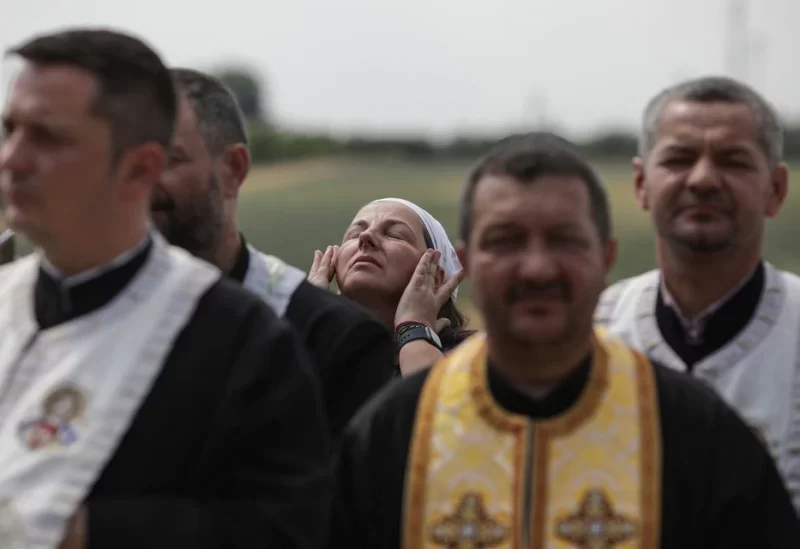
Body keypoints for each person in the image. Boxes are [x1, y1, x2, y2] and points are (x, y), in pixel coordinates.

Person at [329, 133, 800, 549]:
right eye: (506, 240)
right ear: (468, 265)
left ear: (606, 257)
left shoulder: (696, 432)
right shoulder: (397, 430)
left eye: (564, 240)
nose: (536, 267)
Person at [0, 29, 329, 549]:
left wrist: (87, 532)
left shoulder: (238, 341)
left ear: (138, 169)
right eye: (9, 130)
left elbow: (282, 529)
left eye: (48, 138)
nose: (12, 158)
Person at [154, 68, 396, 442]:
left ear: (234, 169)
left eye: (169, 160)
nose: (139, 182)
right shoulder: (78, 309)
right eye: (123, 162)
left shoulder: (329, 337)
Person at [594, 76, 800, 511]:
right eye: (679, 159)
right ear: (641, 184)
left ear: (776, 189)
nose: (704, 179)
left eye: (734, 161)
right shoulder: (593, 329)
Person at [307, 197, 469, 376]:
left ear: (435, 278)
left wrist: (414, 331)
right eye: (353, 235)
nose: (365, 236)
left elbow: (433, 401)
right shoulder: (322, 358)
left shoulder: (474, 360)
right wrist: (308, 320)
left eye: (395, 234)